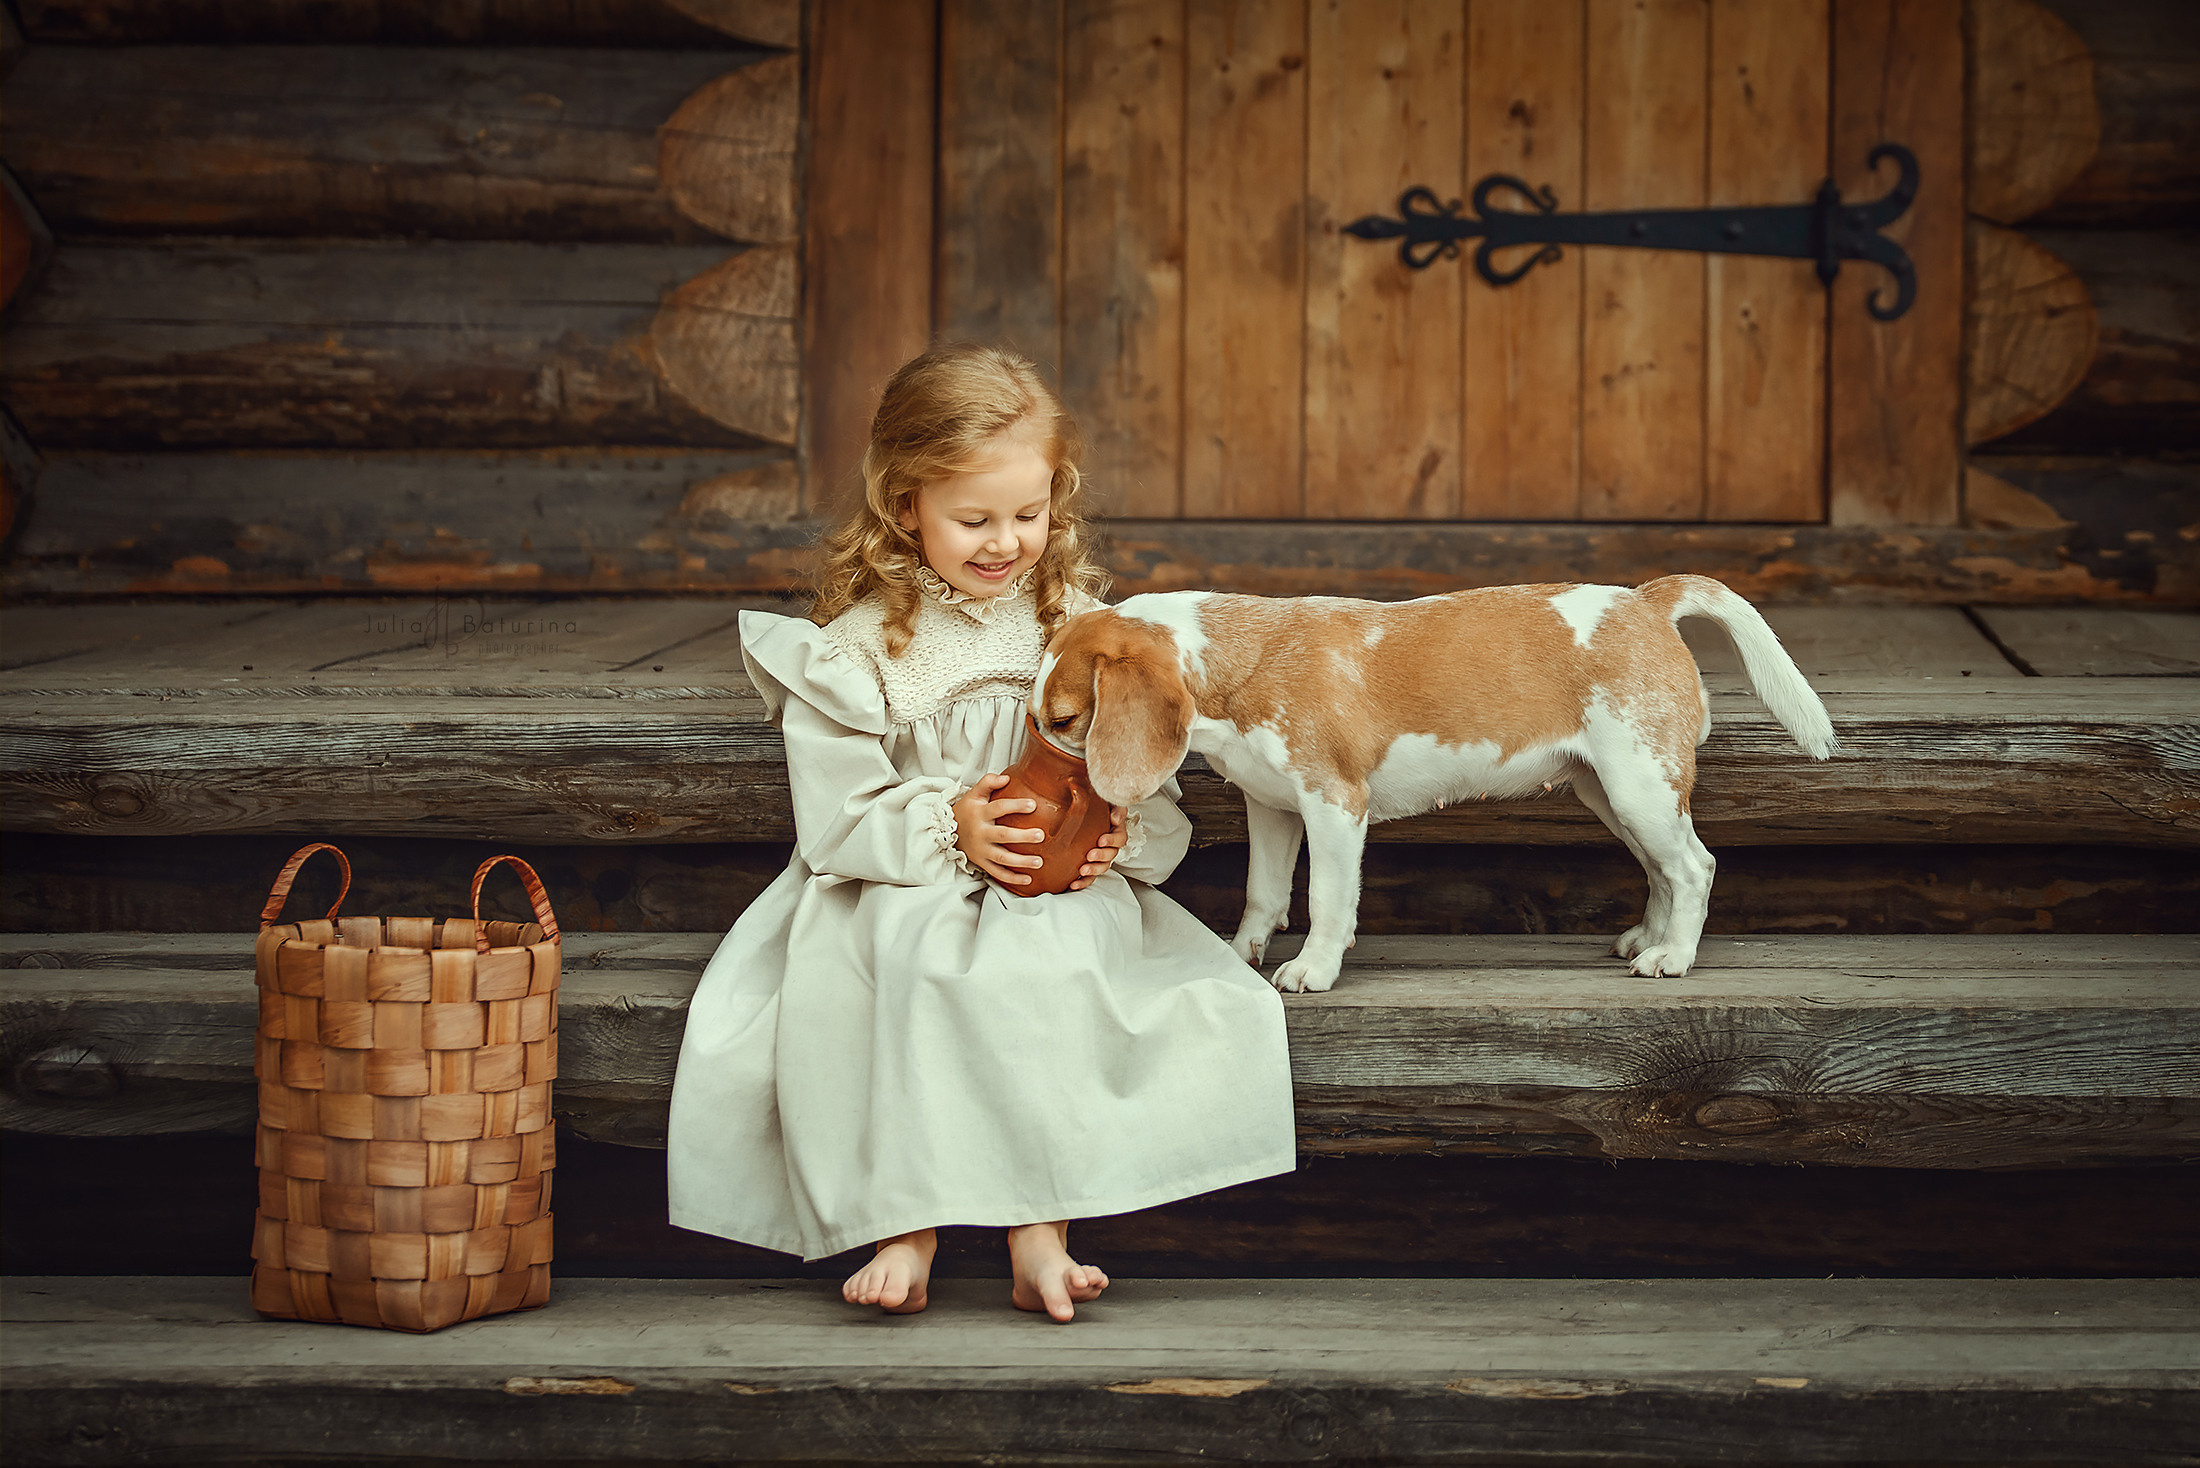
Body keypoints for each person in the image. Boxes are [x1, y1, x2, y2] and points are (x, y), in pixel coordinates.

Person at [666, 343, 1296, 1322]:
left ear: (1058, 496)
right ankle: (902, 1225)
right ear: (903, 504)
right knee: (902, 963)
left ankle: (1038, 1230)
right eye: (974, 519)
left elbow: (1144, 787)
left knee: (1050, 965)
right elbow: (837, 818)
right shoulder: (858, 650)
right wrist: (947, 823)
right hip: (895, 875)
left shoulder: (1080, 631)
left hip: (1049, 884)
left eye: (1029, 513)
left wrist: (1113, 840)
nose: (1005, 541)